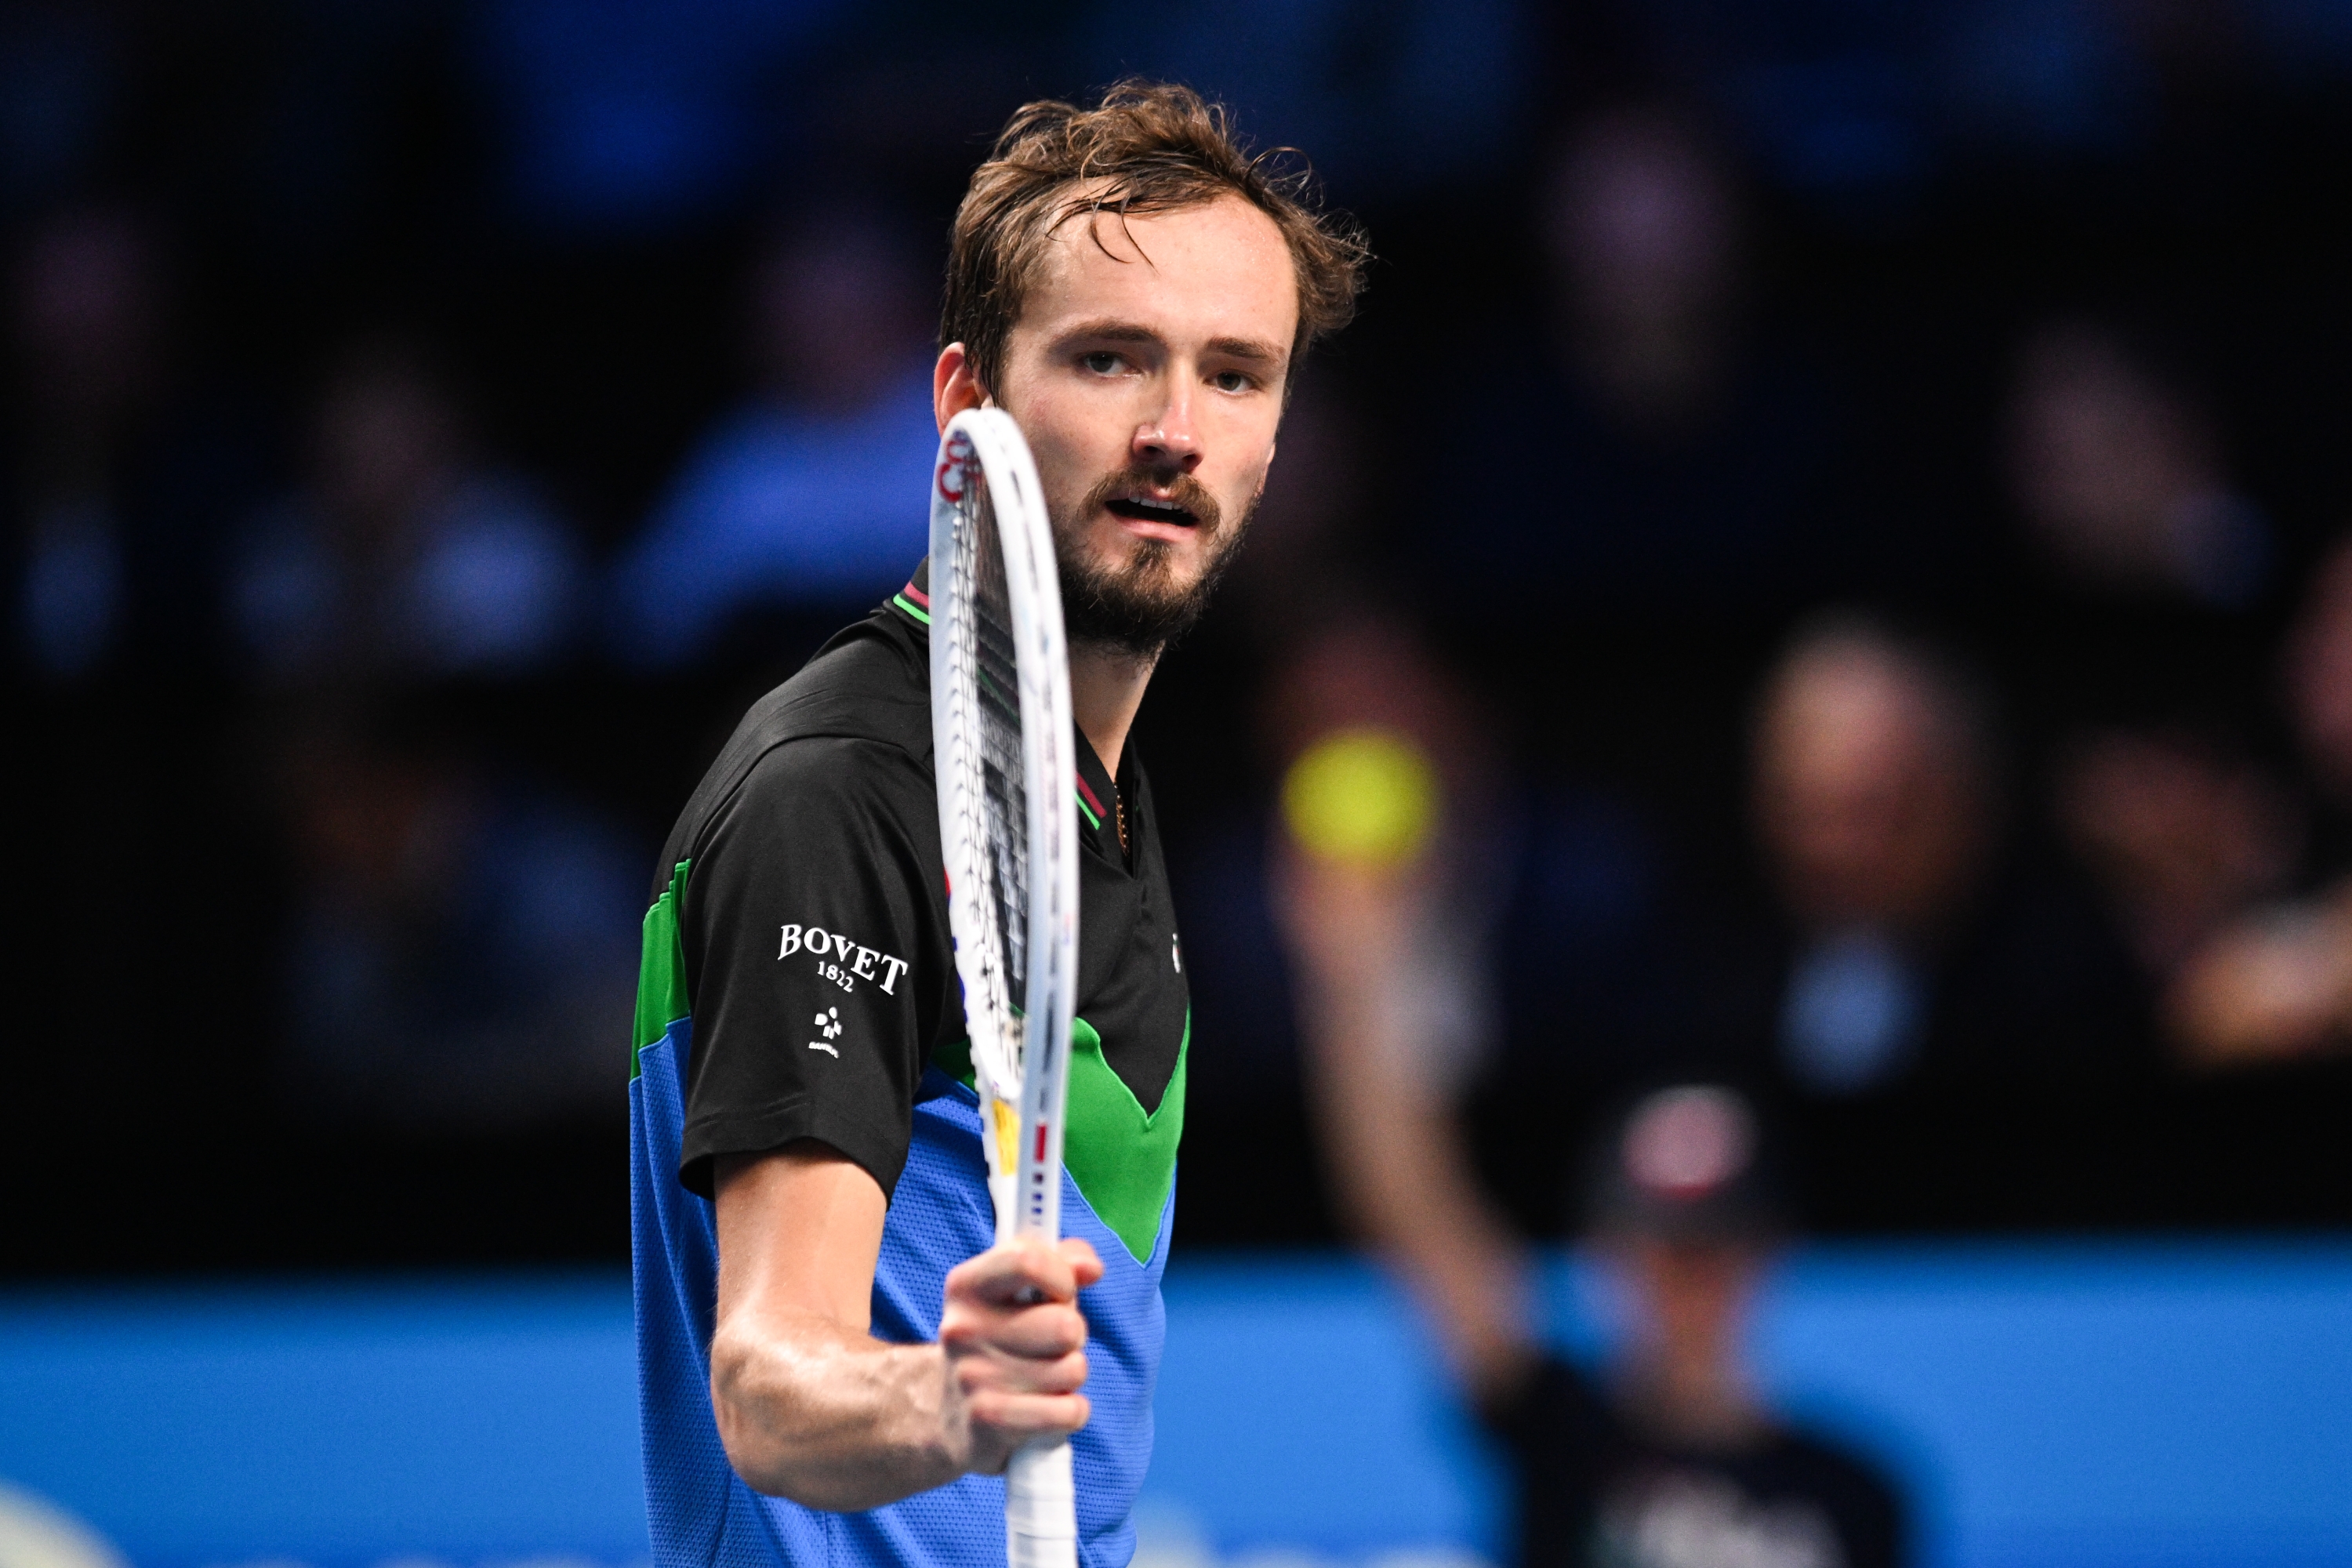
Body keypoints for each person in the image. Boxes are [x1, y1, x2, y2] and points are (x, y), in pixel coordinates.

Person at [627, 81, 1366, 1568]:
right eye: (1110, 360)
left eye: (1237, 375)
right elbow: (769, 1379)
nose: (1175, 430)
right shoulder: (841, 789)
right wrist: (946, 1398)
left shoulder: (1096, 796)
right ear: (965, 398)